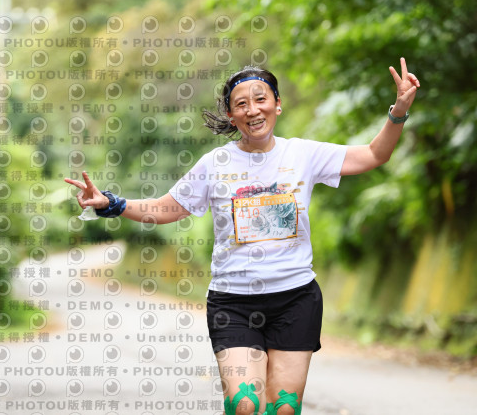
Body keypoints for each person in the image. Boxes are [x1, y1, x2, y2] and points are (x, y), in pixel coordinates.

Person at [65, 58, 419, 415]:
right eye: (241, 104)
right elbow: (165, 208)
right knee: (244, 405)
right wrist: (111, 204)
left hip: (295, 299)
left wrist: (399, 111)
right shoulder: (215, 164)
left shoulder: (303, 154)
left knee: (283, 408)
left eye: (261, 99)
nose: (253, 110)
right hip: (233, 302)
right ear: (231, 116)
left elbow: (374, 154)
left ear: (277, 104)